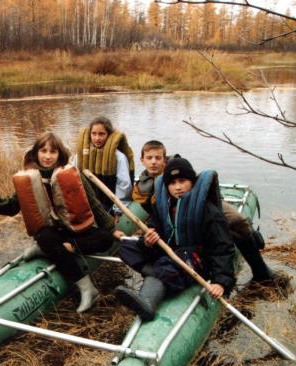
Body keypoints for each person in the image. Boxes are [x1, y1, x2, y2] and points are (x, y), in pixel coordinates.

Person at [0, 132, 123, 313]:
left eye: (53, 152)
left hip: (77, 231)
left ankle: (59, 249)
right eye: (43, 151)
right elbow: (11, 206)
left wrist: (112, 229)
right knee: (43, 235)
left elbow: (94, 204)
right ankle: (87, 288)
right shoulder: (29, 179)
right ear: (36, 153)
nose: (47, 156)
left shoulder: (71, 174)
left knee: (105, 240)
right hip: (53, 233)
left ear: (60, 154)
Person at [131, 141, 276, 285]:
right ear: (142, 160)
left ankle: (259, 268)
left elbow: (191, 182)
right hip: (172, 210)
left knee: (236, 221)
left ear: (165, 159)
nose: (154, 162)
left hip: (194, 204)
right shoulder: (144, 183)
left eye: (158, 158)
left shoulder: (175, 168)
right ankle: (160, 273)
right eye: (149, 158)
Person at [115, 157, 236, 320]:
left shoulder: (208, 211)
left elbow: (222, 246)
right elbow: (154, 226)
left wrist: (221, 281)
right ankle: (160, 277)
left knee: (169, 263)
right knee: (126, 247)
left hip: (196, 258)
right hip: (170, 252)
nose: (177, 187)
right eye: (172, 183)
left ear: (192, 182)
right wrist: (148, 239)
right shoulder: (163, 205)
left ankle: (147, 302)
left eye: (182, 181)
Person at [76, 116, 135, 213]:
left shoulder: (119, 157)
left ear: (109, 135)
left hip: (110, 206)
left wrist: (118, 210)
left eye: (101, 134)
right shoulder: (81, 155)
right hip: (89, 204)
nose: (97, 138)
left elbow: (124, 185)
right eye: (94, 134)